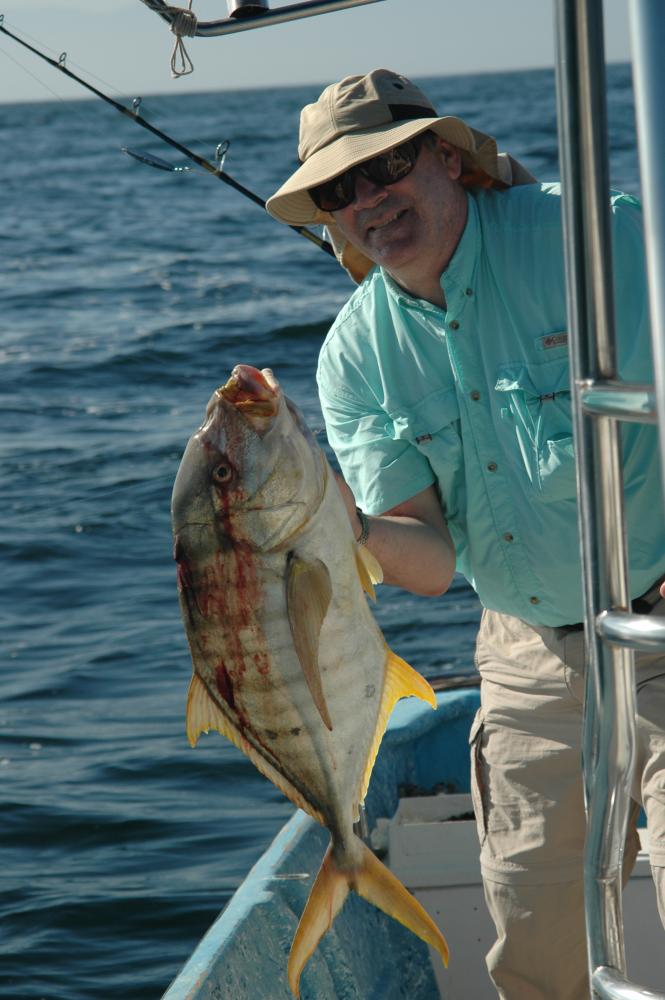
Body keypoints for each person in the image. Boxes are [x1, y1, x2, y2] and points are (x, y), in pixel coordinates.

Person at [266, 68, 665, 999]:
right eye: (339, 188)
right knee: (529, 946)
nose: (369, 198)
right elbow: (430, 561)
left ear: (447, 155)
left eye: (388, 164)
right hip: (525, 656)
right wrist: (346, 524)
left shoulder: (595, 241)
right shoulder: (354, 355)